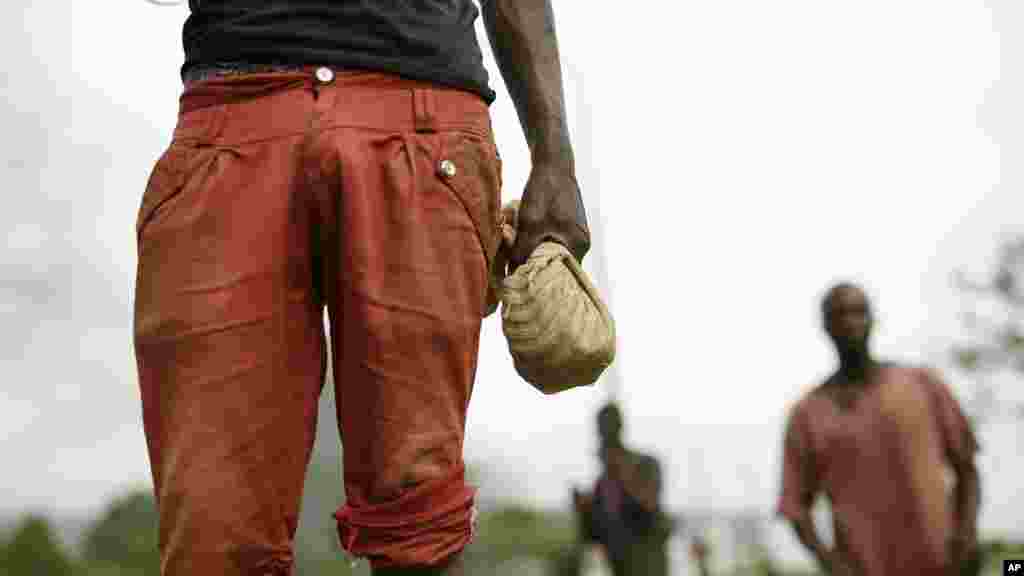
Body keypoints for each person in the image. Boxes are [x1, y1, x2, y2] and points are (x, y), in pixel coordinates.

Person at [132, 2, 590, 574]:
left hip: (422, 121)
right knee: (213, 538)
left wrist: (554, 159)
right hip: (233, 110)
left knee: (420, 524)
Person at [778, 282, 981, 576]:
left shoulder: (923, 385)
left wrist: (967, 534)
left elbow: (966, 467)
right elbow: (795, 508)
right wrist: (832, 564)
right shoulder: (807, 414)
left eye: (858, 311)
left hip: (941, 564)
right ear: (825, 326)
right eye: (839, 314)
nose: (850, 321)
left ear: (872, 319)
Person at [572, 402, 672, 576]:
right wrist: (585, 508)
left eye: (607, 427)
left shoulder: (646, 463)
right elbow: (594, 535)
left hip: (648, 563)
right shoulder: (602, 483)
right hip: (619, 565)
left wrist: (620, 470)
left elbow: (650, 503)